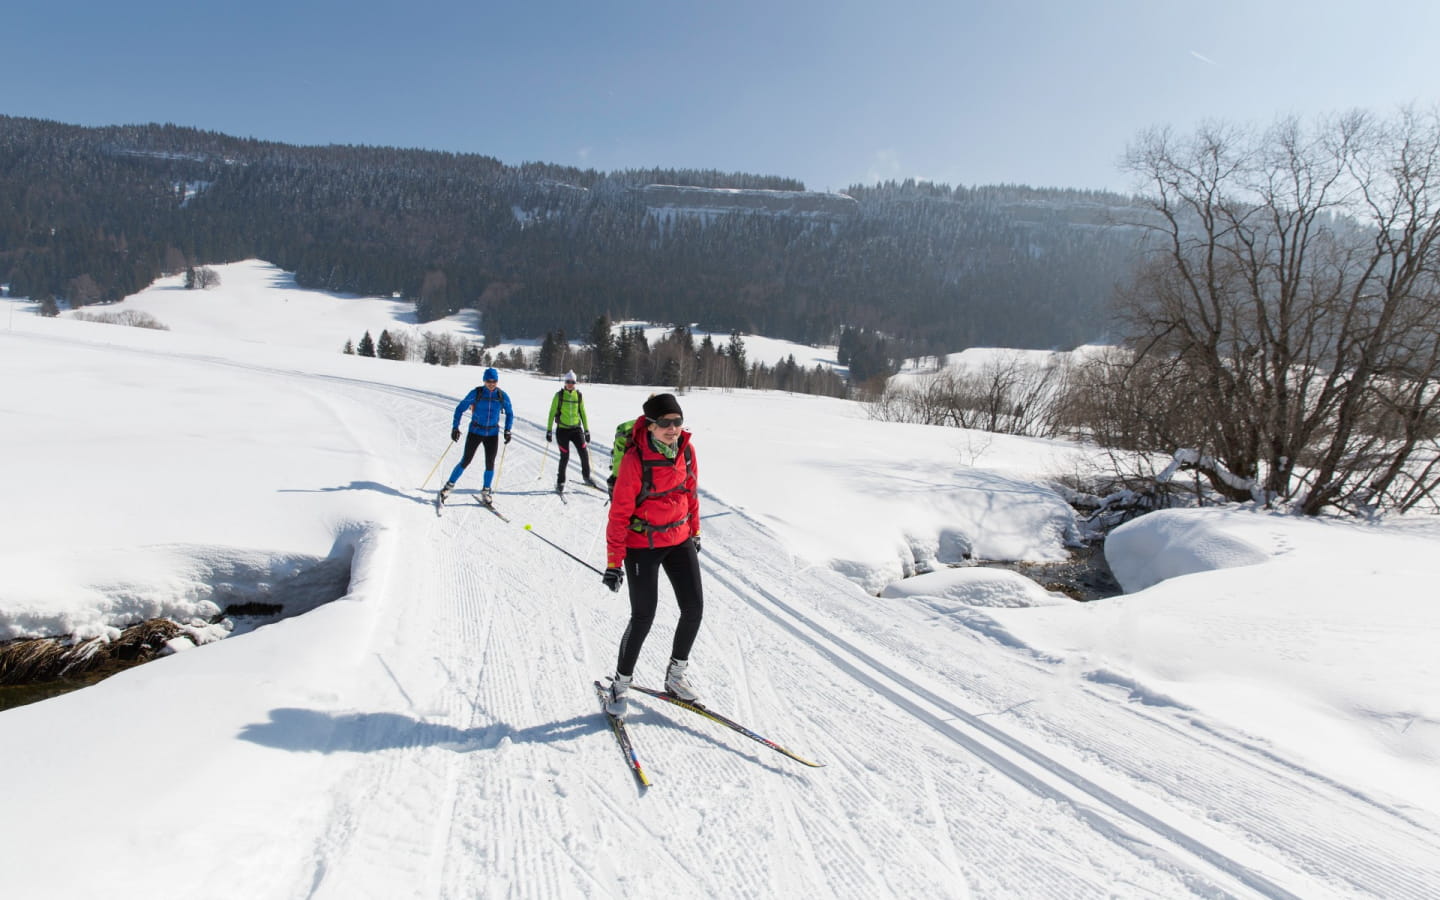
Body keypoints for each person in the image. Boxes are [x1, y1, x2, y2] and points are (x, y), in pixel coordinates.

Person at [601, 393, 703, 717]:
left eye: (677, 422)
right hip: (641, 545)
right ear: (651, 424)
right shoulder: (635, 459)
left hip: (678, 538)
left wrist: (695, 531)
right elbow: (619, 514)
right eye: (665, 423)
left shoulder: (686, 451)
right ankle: (619, 687)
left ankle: (675, 677)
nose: (673, 429)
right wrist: (614, 563)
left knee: (694, 608)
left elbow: (691, 494)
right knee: (643, 616)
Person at [439, 367, 514, 506]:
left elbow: (510, 413)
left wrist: (508, 430)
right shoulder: (476, 393)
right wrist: (455, 427)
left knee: (490, 463)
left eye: (494, 381)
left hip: (492, 434)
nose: (491, 383)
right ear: (484, 380)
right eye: (488, 381)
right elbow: (460, 408)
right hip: (475, 432)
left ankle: (486, 491)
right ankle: (448, 487)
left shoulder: (502, 396)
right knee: (466, 460)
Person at [545, 370, 595, 493]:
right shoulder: (559, 396)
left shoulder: (578, 395)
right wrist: (549, 430)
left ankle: (586, 476)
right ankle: (560, 482)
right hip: (562, 430)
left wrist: (587, 430)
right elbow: (552, 413)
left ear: (575, 383)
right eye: (568, 382)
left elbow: (582, 412)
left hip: (576, 430)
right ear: (565, 382)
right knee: (565, 457)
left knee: (583, 453)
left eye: (572, 382)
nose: (570, 384)